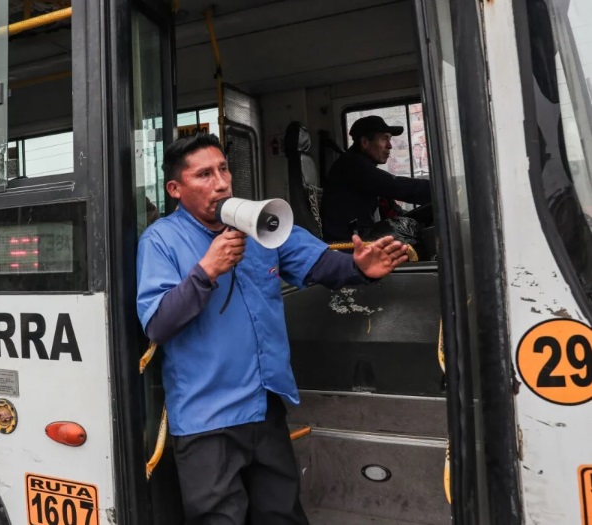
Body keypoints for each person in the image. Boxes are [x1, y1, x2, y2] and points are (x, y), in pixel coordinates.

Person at [136, 133, 410, 525]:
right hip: (206, 417)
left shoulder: (257, 221)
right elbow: (159, 324)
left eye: (223, 169)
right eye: (204, 175)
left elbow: (318, 264)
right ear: (175, 189)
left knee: (281, 514)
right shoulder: (161, 240)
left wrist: (358, 268)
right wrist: (206, 270)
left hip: (263, 406)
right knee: (219, 518)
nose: (221, 182)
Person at [320, 115, 432, 241]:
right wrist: (438, 190)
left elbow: (391, 203)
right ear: (365, 142)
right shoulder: (353, 165)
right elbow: (395, 186)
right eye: (384, 138)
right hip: (349, 243)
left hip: (358, 234)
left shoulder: (360, 165)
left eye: (389, 139)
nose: (389, 145)